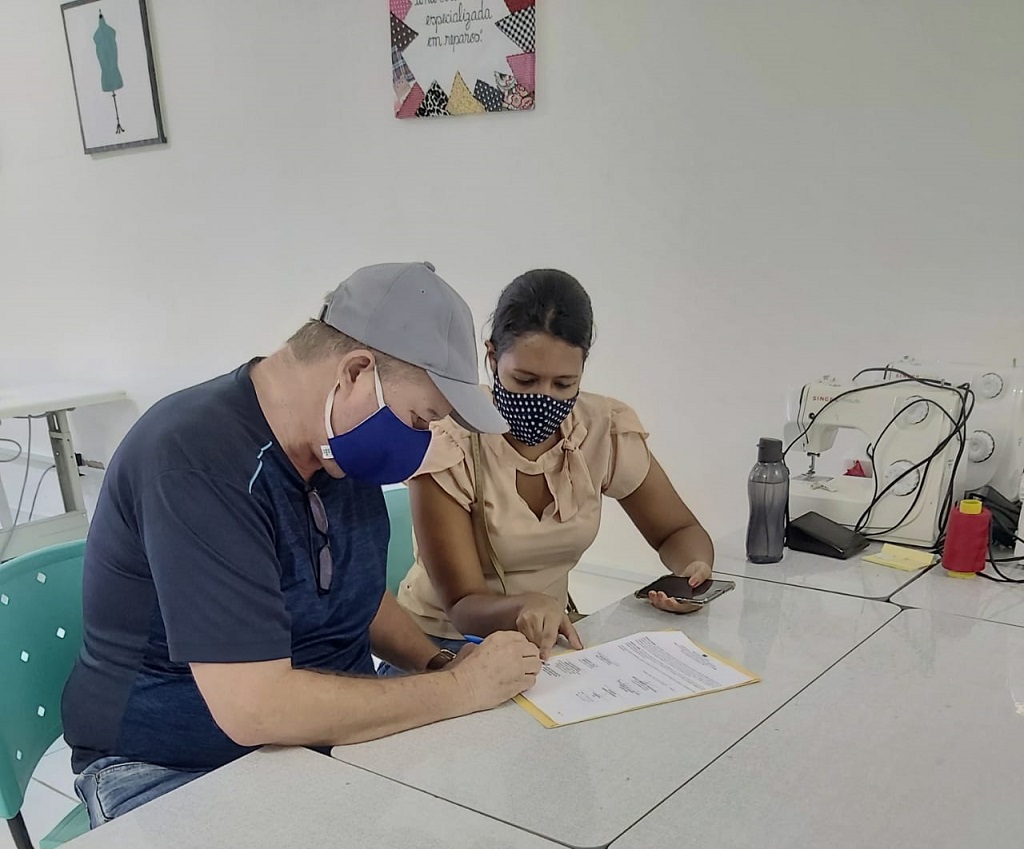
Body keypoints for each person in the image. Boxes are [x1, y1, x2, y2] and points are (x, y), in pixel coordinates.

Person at [61, 262, 542, 827]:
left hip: (318, 744)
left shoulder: (337, 446)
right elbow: (254, 709)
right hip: (173, 766)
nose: (422, 439)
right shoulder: (195, 463)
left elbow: (354, 594)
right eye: (421, 418)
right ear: (356, 372)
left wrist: (438, 662)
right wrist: (460, 689)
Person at [394, 269, 714, 665]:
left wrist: (692, 573)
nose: (543, 399)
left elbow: (677, 530)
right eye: (525, 380)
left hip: (547, 642)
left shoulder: (601, 429)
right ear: (492, 357)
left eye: (563, 384)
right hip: (441, 646)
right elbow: (462, 606)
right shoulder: (450, 440)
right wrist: (526, 606)